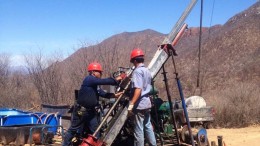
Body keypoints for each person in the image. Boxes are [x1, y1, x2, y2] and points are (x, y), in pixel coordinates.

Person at [62, 62, 123, 146]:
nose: (101, 73)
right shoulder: (89, 79)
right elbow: (104, 81)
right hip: (81, 111)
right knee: (73, 129)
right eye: (99, 72)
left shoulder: (95, 84)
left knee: (95, 131)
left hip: (91, 112)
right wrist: (115, 80)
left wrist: (113, 95)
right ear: (93, 72)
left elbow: (101, 93)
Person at [128, 48, 157, 146]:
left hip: (139, 105)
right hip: (147, 103)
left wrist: (131, 103)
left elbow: (138, 89)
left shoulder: (137, 72)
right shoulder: (147, 70)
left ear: (135, 61)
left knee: (138, 129)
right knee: (148, 126)